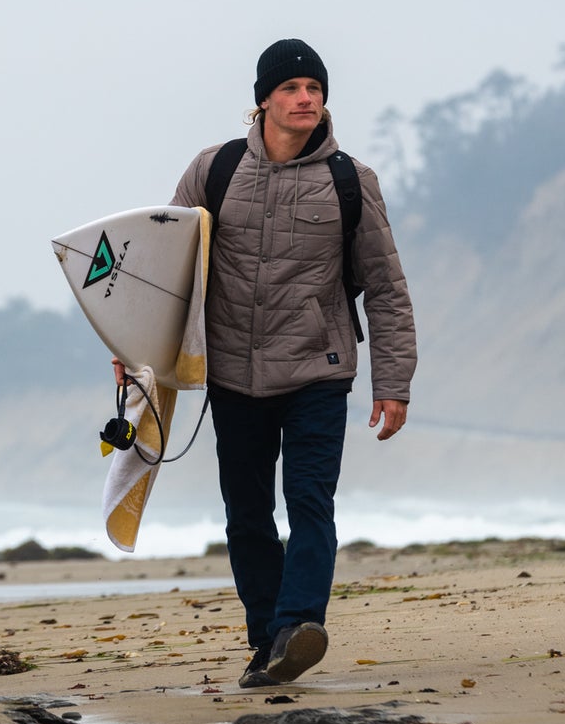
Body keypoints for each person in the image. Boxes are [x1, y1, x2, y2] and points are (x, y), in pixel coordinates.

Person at [162, 38, 414, 689]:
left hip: (318, 373)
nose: (307, 98)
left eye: (315, 88)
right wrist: (132, 355)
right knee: (246, 514)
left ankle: (298, 624)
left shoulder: (348, 180)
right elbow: (164, 273)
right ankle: (266, 640)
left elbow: (385, 287)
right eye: (293, 88)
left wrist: (394, 382)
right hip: (234, 376)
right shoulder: (212, 172)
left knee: (308, 502)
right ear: (264, 101)